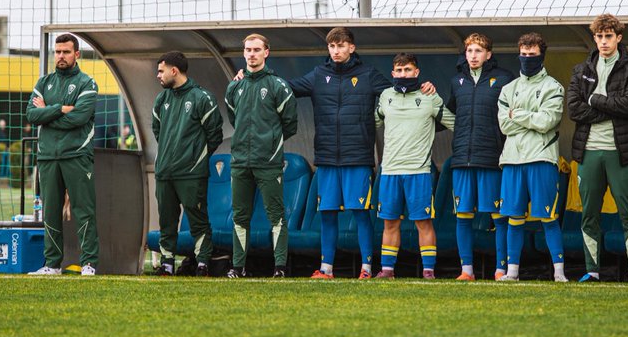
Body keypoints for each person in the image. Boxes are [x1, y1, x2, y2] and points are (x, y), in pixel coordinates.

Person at [285, 27, 434, 280]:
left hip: (358, 157)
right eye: (332, 47)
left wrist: (423, 86)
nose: (336, 51)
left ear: (351, 48)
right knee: (328, 213)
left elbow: (398, 91)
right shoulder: (318, 75)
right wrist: (255, 78)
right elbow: (287, 88)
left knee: (360, 212)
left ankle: (366, 269)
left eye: (341, 46)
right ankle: (326, 269)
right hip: (327, 157)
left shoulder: (367, 74)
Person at [567, 14, 628, 283]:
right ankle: (592, 270)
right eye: (600, 36)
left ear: (618, 38)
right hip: (589, 151)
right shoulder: (581, 70)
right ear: (595, 38)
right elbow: (574, 109)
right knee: (589, 214)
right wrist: (608, 106)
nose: (604, 41)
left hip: (621, 152)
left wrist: (593, 99)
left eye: (609, 36)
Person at [374, 53, 454, 279]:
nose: (403, 74)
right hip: (389, 171)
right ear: (392, 74)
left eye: (408, 70)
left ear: (417, 72)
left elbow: (454, 123)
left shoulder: (430, 96)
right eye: (399, 71)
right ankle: (387, 270)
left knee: (423, 222)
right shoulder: (385, 96)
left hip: (418, 172)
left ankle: (429, 271)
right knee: (390, 223)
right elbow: (371, 123)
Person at [223, 34, 298, 278]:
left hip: (268, 162)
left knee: (275, 216)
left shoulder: (278, 85)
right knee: (240, 217)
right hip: (240, 162)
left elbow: (290, 124)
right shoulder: (235, 86)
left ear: (266, 52)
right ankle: (237, 267)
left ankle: (279, 268)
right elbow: (235, 118)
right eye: (247, 50)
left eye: (256, 49)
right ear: (243, 53)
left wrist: (270, 143)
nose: (251, 54)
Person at [26, 33, 100, 276]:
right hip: (47, 156)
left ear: (76, 54)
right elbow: (31, 115)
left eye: (66, 52)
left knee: (83, 210)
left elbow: (79, 118)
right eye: (57, 52)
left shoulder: (87, 83)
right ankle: (52, 264)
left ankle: (88, 263)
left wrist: (47, 112)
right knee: (50, 212)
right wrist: (59, 109)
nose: (60, 56)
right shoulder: (43, 82)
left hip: (76, 155)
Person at [497, 33, 566, 281]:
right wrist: (530, 118)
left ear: (541, 56)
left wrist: (519, 115)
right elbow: (504, 126)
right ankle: (512, 272)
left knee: (548, 216)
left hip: (541, 158)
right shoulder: (508, 89)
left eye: (532, 55)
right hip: (513, 160)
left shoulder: (554, 87)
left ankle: (559, 273)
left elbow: (548, 121)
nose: (527, 59)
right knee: (514, 217)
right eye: (523, 55)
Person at [447, 33, 515, 280]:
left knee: (498, 216)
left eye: (478, 51)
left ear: (488, 54)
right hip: (462, 158)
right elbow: (449, 114)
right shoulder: (457, 81)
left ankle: (500, 268)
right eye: (469, 51)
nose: (473, 55)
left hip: (491, 158)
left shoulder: (504, 79)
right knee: (463, 215)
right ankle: (466, 270)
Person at [151, 51, 224, 276]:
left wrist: (195, 156)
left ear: (174, 71)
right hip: (165, 173)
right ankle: (167, 264)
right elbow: (157, 131)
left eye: (161, 71)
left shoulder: (202, 97)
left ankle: (202, 263)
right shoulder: (161, 100)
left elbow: (215, 134)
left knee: (198, 220)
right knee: (167, 221)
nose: (158, 76)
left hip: (192, 173)